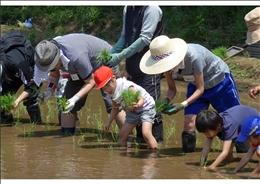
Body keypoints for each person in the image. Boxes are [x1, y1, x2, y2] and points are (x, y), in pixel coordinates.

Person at [139, 35, 241, 152]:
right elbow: (172, 89)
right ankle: (187, 155)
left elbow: (200, 89)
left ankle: (241, 154)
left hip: (220, 82)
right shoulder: (166, 67)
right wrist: (165, 102)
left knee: (234, 120)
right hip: (195, 85)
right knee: (189, 123)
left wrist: (182, 105)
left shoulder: (194, 57)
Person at [32, 33, 125, 134]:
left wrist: (74, 99)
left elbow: (91, 81)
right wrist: (49, 90)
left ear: (58, 58)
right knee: (66, 107)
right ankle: (67, 137)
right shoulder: (48, 54)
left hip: (103, 62)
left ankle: (128, 139)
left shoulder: (76, 56)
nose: (52, 70)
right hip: (78, 71)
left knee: (113, 104)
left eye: (53, 67)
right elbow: (54, 75)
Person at [107, 6, 164, 143]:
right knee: (133, 105)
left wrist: (119, 56)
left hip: (150, 66)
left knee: (151, 108)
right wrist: (111, 53)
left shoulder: (152, 9)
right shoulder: (128, 8)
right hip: (133, 65)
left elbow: (145, 39)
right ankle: (140, 147)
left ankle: (155, 148)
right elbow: (124, 37)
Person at [93, 66, 158, 150]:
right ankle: (124, 157)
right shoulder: (111, 92)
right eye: (103, 88)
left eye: (106, 86)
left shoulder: (126, 86)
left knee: (146, 133)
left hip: (146, 108)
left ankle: (154, 155)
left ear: (113, 78)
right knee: (122, 136)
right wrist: (108, 122)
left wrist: (138, 104)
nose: (105, 90)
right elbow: (115, 108)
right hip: (132, 112)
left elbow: (141, 99)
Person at [195, 105, 259, 172]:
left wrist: (212, 166)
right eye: (203, 132)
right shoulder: (213, 122)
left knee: (258, 151)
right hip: (240, 118)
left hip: (254, 121)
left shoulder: (228, 126)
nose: (205, 135)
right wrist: (201, 164)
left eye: (206, 132)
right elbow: (206, 147)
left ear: (218, 127)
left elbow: (225, 152)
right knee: (229, 151)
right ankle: (230, 158)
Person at [0, 31, 41, 123]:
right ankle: (6, 122)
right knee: (4, 97)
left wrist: (17, 101)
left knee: (31, 97)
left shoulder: (20, 64)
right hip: (9, 68)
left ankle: (37, 124)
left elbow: (32, 87)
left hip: (26, 68)